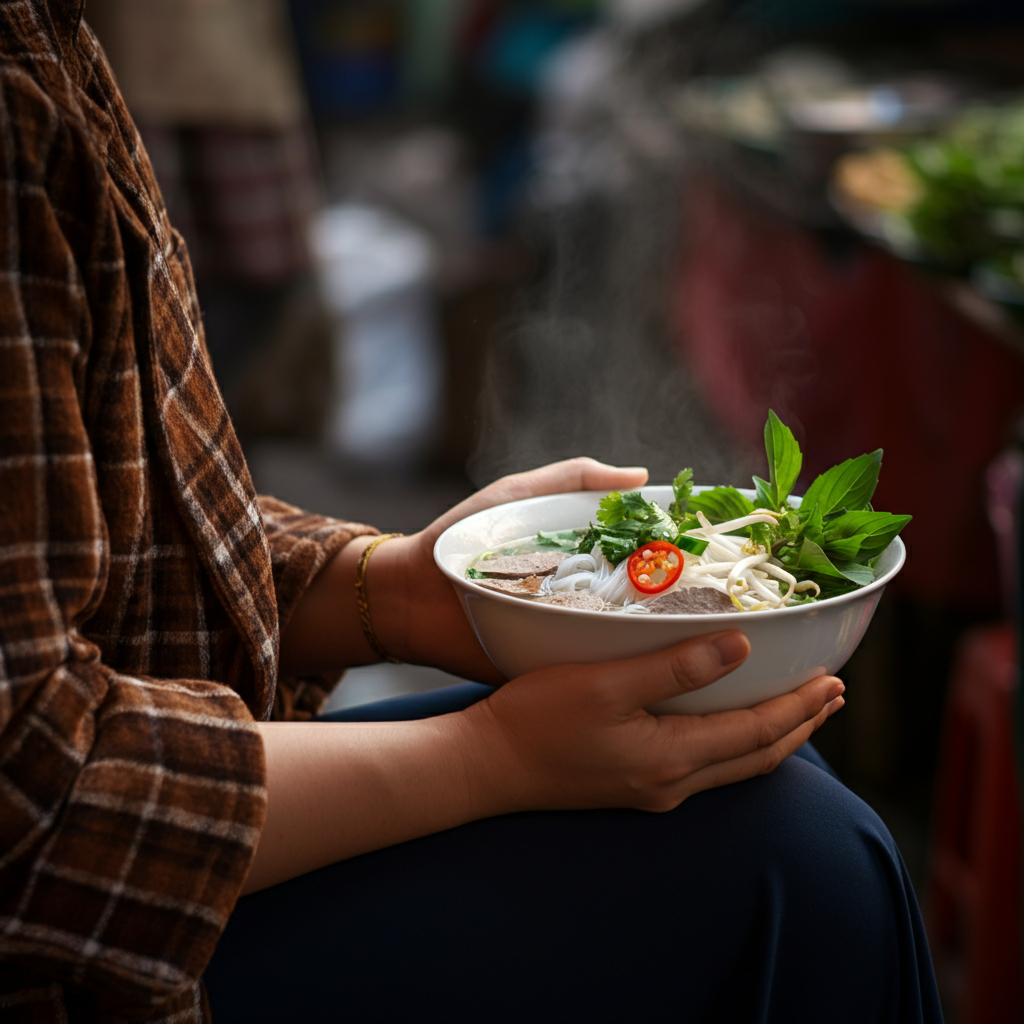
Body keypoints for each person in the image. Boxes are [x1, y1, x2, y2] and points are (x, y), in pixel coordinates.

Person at [0, 3, 943, 1022]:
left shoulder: (49, 41)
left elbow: (104, 544)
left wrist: (390, 590)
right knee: (804, 863)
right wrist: (486, 760)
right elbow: (32, 794)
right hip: (75, 962)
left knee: (759, 787)